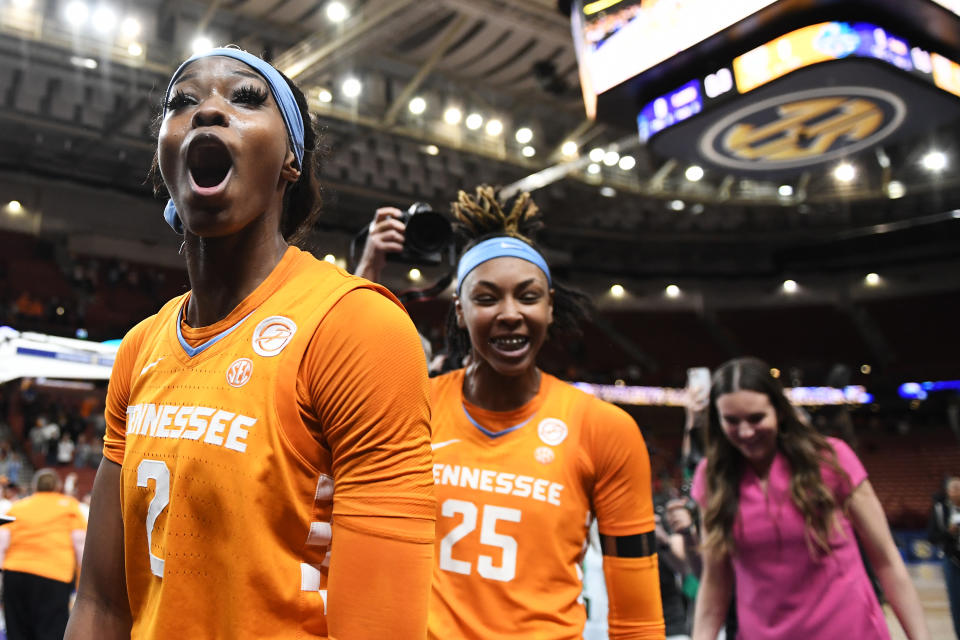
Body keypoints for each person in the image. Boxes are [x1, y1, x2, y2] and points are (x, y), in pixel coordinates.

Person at [64, 47, 436, 640]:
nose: (207, 111)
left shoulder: (357, 328)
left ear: (291, 158)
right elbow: (102, 605)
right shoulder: (140, 348)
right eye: (181, 102)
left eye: (244, 98)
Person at [357, 186, 665, 638]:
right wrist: (364, 280)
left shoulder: (606, 430)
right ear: (460, 312)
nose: (509, 314)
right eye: (485, 299)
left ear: (550, 306)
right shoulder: (414, 406)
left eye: (527, 296)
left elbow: (638, 621)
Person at [691, 357, 929, 640]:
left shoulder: (831, 460)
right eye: (731, 421)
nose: (745, 432)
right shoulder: (712, 478)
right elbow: (715, 582)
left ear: (779, 412)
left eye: (757, 418)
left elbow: (887, 561)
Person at [0, 469, 86, 640]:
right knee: (50, 631)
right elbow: (80, 543)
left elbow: (2, 543)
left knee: (17, 631)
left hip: (15, 573)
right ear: (57, 486)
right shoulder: (69, 506)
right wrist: (83, 582)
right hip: (53, 575)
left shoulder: (18, 506)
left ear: (35, 486)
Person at [928, 476, 960, 638]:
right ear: (947, 492)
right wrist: (949, 532)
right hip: (952, 560)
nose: (956, 491)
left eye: (959, 487)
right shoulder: (940, 509)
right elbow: (932, 537)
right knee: (956, 603)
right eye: (953, 488)